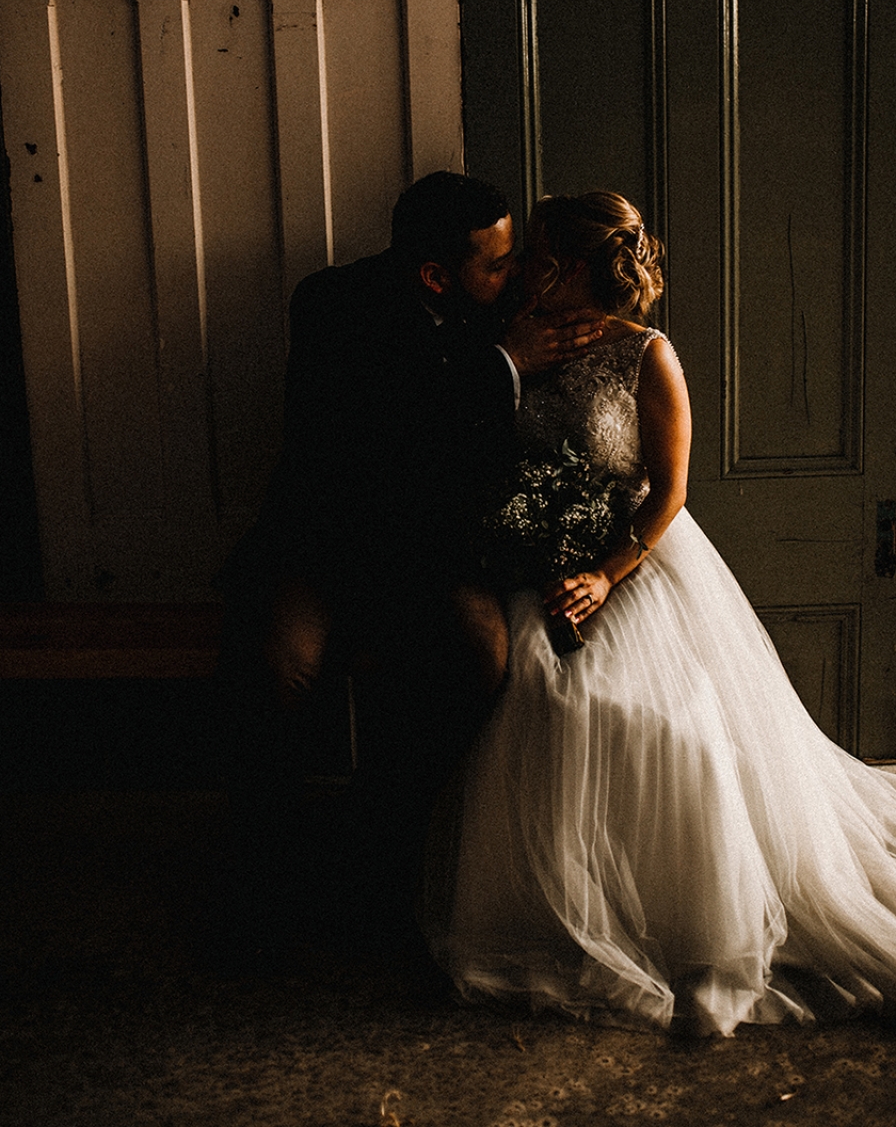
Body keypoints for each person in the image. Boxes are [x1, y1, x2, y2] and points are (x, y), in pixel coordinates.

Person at [421, 190, 896, 1038]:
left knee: (659, 720)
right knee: (544, 701)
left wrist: (602, 574)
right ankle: (555, 918)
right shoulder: (505, 343)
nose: (525, 271)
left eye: (542, 255)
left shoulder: (646, 355)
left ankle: (697, 933)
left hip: (630, 566)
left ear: (583, 264)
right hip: (531, 571)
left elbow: (667, 495)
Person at [213, 171, 603, 962]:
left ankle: (381, 841)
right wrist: (501, 366)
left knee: (480, 653)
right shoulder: (329, 305)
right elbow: (373, 435)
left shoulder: (504, 311)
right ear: (435, 273)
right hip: (324, 544)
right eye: (495, 263)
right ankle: (263, 881)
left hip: (431, 550)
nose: (514, 274)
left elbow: (480, 453)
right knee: (277, 667)